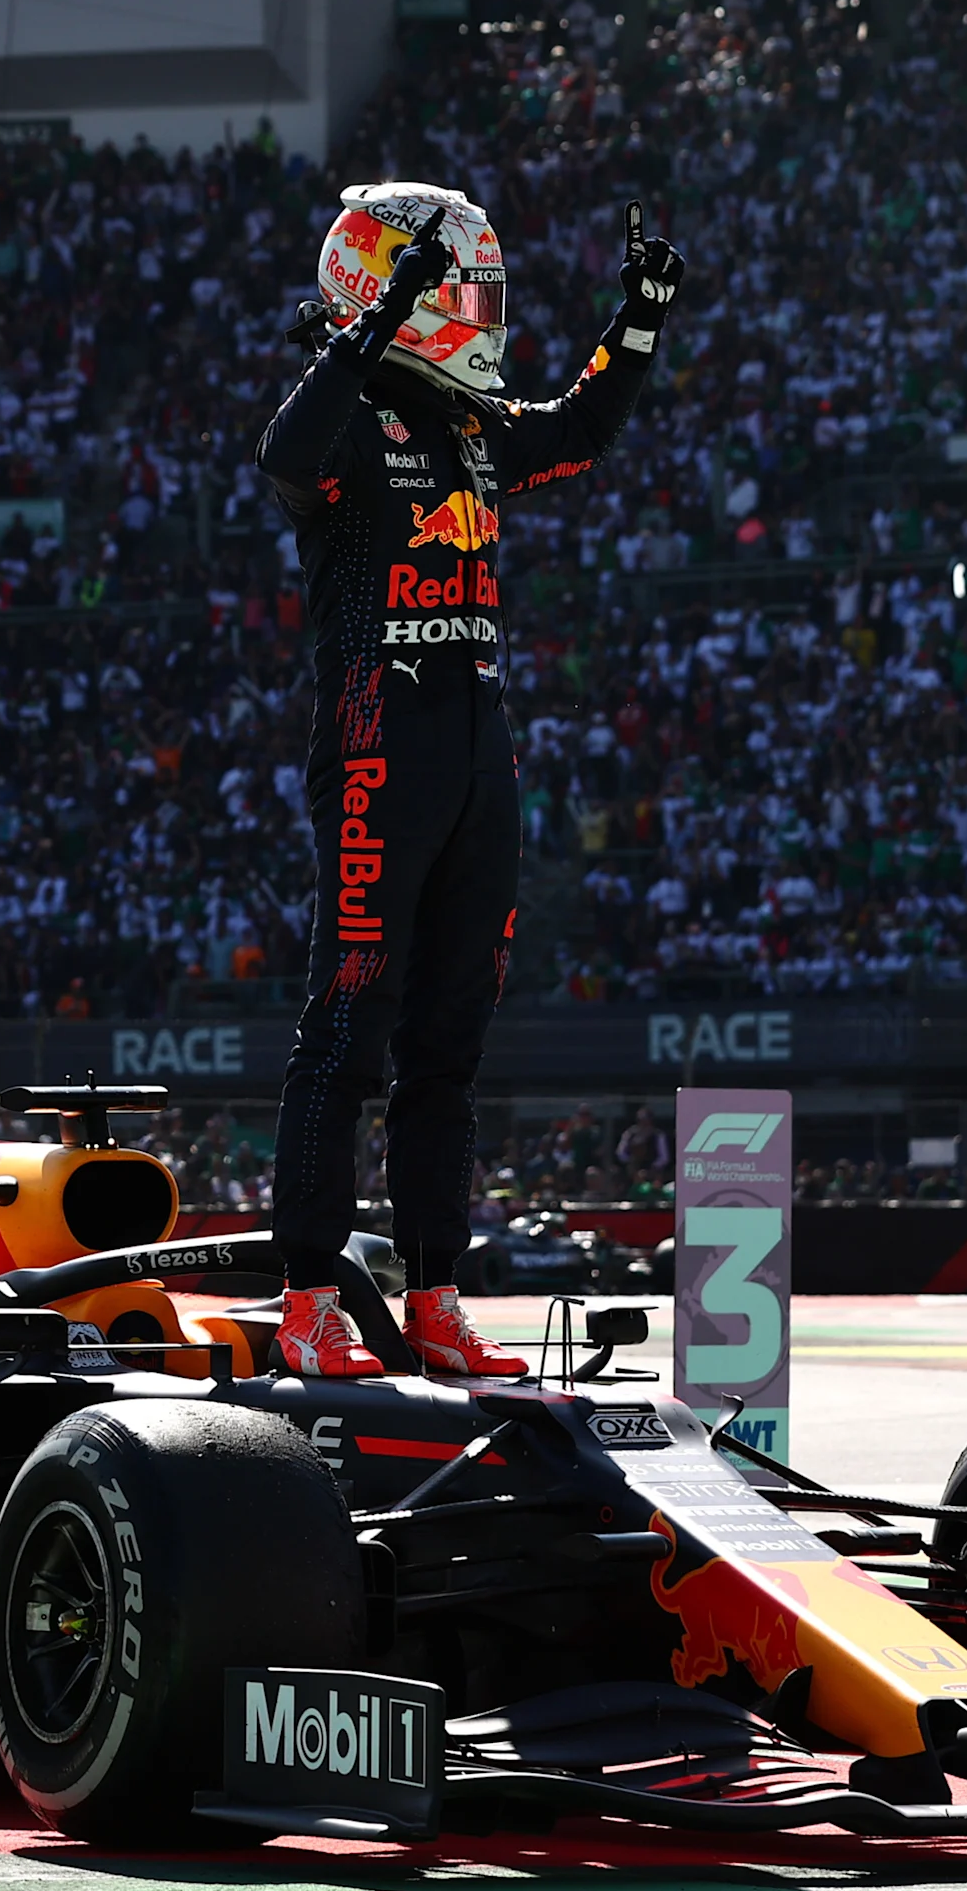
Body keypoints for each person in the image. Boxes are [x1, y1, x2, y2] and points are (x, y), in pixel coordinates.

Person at [254, 184, 688, 1378]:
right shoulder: (340, 418)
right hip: (372, 750)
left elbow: (580, 429)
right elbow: (281, 455)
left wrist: (637, 319)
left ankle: (435, 1294)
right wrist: (363, 331)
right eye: (458, 290)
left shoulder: (468, 425)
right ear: (381, 286)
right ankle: (306, 1304)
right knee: (343, 1032)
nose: (479, 314)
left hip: (475, 747)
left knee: (446, 1050)